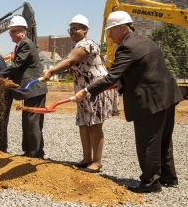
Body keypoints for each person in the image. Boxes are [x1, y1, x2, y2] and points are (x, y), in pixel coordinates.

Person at [75, 11, 183, 193]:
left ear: (122, 29)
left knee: (147, 142)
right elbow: (140, 71)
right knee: (163, 140)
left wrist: (86, 91)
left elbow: (112, 77)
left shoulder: (127, 47)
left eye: (111, 31)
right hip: (168, 95)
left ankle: (150, 183)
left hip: (150, 100)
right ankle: (168, 177)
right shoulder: (145, 41)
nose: (109, 35)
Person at [41, 14, 119, 172]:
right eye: (70, 29)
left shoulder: (87, 45)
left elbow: (70, 61)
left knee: (94, 124)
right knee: (83, 123)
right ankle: (86, 158)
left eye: (76, 28)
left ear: (85, 30)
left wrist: (51, 70)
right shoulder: (76, 46)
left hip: (95, 89)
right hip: (82, 91)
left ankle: (97, 162)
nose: (72, 31)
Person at [0, 16, 48, 158]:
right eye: (10, 32)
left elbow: (16, 66)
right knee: (28, 120)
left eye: (13, 32)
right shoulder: (20, 45)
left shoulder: (26, 44)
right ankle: (30, 151)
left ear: (22, 31)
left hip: (35, 88)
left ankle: (35, 153)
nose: (10, 35)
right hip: (31, 89)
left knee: (32, 121)